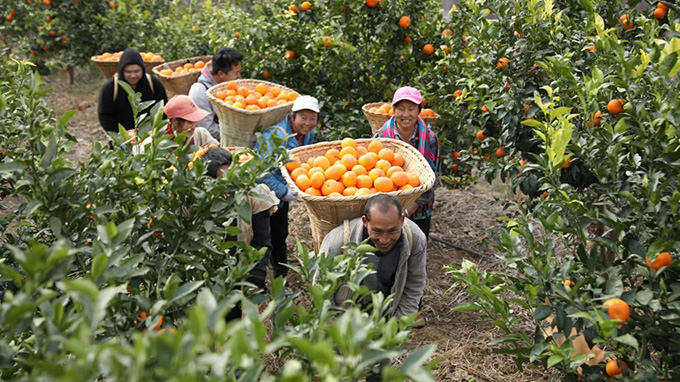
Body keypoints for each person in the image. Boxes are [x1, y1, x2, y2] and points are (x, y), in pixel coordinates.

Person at [318, 194, 427, 382]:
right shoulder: (338, 241)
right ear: (365, 222)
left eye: (392, 231)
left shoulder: (414, 239)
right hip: (344, 315)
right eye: (377, 231)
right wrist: (335, 327)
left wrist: (398, 323)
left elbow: (414, 283)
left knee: (379, 373)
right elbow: (321, 286)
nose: (385, 240)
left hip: (383, 317)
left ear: (402, 220)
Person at [200, 147, 279, 321]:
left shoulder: (253, 195)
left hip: (241, 271)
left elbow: (262, 241)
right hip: (212, 274)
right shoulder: (201, 200)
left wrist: (255, 280)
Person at [253, 95, 320, 279]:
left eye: (312, 118)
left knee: (280, 234)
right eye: (303, 117)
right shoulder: (276, 136)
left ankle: (280, 277)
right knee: (263, 239)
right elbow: (261, 171)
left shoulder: (308, 134)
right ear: (292, 116)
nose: (308, 123)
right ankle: (259, 284)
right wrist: (283, 192)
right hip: (263, 195)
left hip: (283, 192)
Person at [374, 86, 440, 239]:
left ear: (419, 111)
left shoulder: (430, 139)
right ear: (393, 110)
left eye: (411, 109)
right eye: (401, 109)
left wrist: (409, 208)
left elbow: (433, 178)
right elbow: (374, 176)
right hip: (386, 210)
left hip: (420, 209)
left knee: (416, 247)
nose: (406, 114)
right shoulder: (381, 137)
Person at [98, 48, 168, 133]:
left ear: (142, 69)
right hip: (123, 139)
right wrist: (120, 135)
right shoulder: (111, 88)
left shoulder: (153, 84)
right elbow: (105, 115)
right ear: (121, 71)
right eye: (128, 72)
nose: (132, 75)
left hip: (150, 137)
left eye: (136, 71)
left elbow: (163, 109)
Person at [188, 47, 244, 140]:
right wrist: (238, 133)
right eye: (236, 73)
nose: (239, 76)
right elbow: (207, 129)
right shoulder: (200, 91)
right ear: (221, 74)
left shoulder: (228, 85)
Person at [132, 95, 218, 155]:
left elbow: (219, 153)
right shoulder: (152, 144)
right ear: (174, 121)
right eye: (190, 122)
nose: (194, 126)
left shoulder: (201, 134)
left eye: (196, 121)